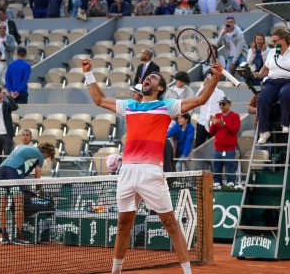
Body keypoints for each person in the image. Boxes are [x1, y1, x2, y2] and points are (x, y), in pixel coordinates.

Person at [81, 57, 223, 274]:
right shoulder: (130, 106)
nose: (148, 78)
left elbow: (201, 99)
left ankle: (187, 272)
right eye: (147, 77)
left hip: (151, 172)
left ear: (160, 88)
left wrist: (215, 77)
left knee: (170, 224)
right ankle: (115, 271)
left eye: (153, 78)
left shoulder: (167, 106)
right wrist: (88, 73)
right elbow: (99, 100)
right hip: (127, 171)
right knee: (123, 225)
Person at [255, 28, 290, 144]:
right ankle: (264, 131)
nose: (273, 43)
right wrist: (258, 74)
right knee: (262, 98)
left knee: (285, 93)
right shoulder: (272, 52)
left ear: (284, 40)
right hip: (272, 82)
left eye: (276, 41)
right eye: (272, 41)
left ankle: (285, 124)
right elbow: (265, 69)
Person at [0, 142, 55, 245]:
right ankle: (19, 236)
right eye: (48, 156)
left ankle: (4, 236)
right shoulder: (40, 157)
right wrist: (39, 190)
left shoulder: (26, 148)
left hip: (1, 170)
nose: (46, 158)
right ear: (46, 152)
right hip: (14, 172)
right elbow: (37, 176)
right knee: (19, 205)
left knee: (2, 206)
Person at [209, 96, 240, 189]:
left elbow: (235, 130)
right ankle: (217, 183)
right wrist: (213, 124)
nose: (221, 106)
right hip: (218, 148)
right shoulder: (217, 115)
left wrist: (225, 124)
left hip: (229, 148)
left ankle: (231, 183)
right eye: (220, 104)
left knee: (230, 168)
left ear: (229, 104)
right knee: (217, 168)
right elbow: (211, 132)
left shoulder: (235, 116)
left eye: (223, 104)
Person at [194, 74, 225, 148]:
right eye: (207, 78)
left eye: (211, 79)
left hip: (213, 124)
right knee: (198, 146)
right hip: (201, 122)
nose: (209, 81)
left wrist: (217, 119)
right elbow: (196, 100)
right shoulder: (202, 89)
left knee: (213, 146)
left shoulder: (220, 93)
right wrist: (204, 86)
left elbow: (223, 109)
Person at [0, 86, 18, 170]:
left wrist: (8, 96)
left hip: (7, 136)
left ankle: (7, 178)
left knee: (8, 159)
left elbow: (15, 107)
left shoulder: (6, 105)